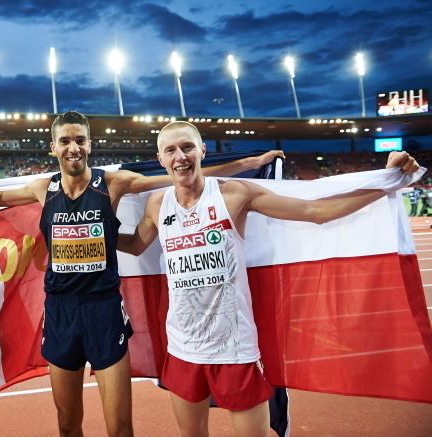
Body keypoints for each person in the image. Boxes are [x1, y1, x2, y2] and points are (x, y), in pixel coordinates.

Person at [0, 111, 283, 437]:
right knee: (67, 424)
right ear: (53, 147)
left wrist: (251, 161)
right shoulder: (42, 188)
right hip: (60, 313)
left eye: (80, 140)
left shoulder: (112, 183)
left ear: (89, 144)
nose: (73, 147)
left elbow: (177, 175)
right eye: (65, 140)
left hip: (105, 311)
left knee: (120, 428)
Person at [117, 121, 420, 437]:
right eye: (171, 150)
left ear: (202, 151)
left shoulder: (234, 195)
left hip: (234, 350)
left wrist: (387, 181)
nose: (180, 156)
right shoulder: (156, 204)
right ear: (161, 158)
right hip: (182, 348)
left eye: (187, 147)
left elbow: (315, 211)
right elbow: (136, 245)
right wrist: (96, 233)